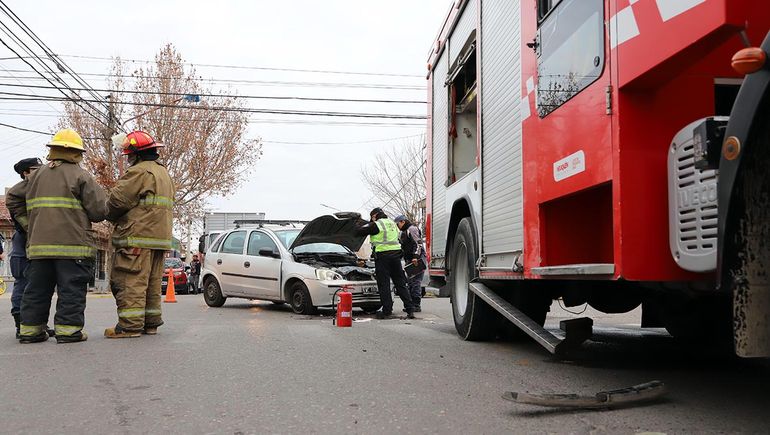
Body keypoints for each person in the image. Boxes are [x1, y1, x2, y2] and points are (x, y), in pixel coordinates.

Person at [18, 129, 108, 344]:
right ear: (77, 152)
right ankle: (68, 332)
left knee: (36, 291)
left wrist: (28, 225)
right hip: (72, 247)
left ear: (53, 150)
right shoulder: (81, 176)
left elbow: (12, 196)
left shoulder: (35, 175)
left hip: (39, 248)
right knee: (71, 290)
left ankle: (30, 332)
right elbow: (98, 212)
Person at [104, 131, 174, 339]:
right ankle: (150, 323)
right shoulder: (163, 173)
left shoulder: (138, 172)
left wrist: (107, 213)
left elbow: (117, 202)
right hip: (159, 239)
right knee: (151, 283)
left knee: (130, 281)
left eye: (129, 155)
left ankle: (130, 326)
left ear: (136, 154)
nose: (128, 159)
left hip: (136, 238)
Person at [5, 157, 54, 338]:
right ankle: (21, 324)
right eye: (35, 169)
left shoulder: (40, 187)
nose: (40, 172)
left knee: (39, 286)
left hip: (38, 241)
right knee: (23, 284)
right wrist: (32, 228)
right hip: (24, 241)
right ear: (25, 173)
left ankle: (38, 323)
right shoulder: (21, 189)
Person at [354, 207, 414, 319]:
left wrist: (356, 222)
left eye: (372, 218)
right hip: (396, 257)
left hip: (383, 257)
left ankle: (387, 311)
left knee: (384, 284)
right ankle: (410, 309)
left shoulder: (377, 224)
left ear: (374, 216)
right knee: (400, 283)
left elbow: (358, 232)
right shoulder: (392, 224)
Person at [395, 215, 426, 313]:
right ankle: (412, 305)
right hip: (410, 260)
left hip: (417, 259)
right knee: (410, 283)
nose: (397, 226)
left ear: (402, 222)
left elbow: (418, 244)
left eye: (397, 224)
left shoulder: (412, 229)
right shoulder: (403, 232)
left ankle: (416, 305)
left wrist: (416, 257)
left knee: (415, 282)